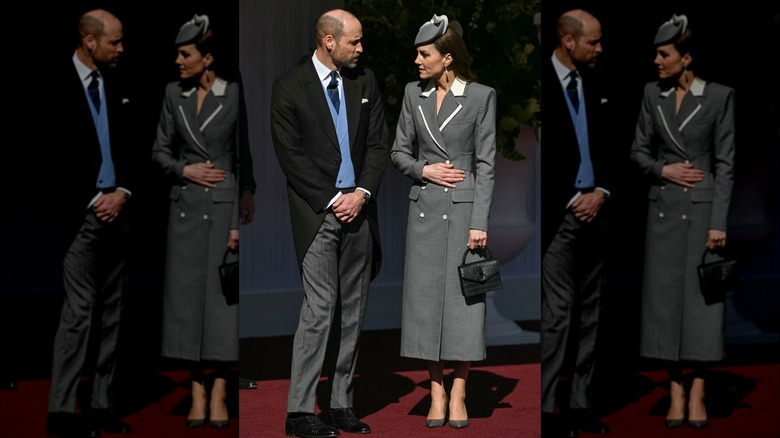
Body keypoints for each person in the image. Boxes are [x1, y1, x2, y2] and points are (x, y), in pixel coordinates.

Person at [270, 8, 389, 438]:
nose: (361, 49)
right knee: (320, 310)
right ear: (328, 41)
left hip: (361, 210)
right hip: (317, 214)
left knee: (353, 312)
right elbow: (291, 157)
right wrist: (334, 199)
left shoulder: (364, 80)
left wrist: (362, 195)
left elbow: (379, 146)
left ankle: (341, 404)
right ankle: (299, 411)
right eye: (354, 41)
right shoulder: (288, 87)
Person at [390, 14, 495, 430]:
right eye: (418, 53)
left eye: (425, 54)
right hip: (425, 213)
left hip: (467, 216)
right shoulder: (411, 95)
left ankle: (459, 390)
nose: (417, 60)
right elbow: (399, 153)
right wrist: (423, 170)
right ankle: (435, 388)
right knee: (425, 304)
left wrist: (480, 221)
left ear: (446, 58)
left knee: (465, 305)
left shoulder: (481, 97)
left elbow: (486, 165)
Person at [630, 14, 735, 429]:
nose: (657, 61)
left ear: (686, 58)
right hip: (663, 213)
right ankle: (674, 387)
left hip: (704, 214)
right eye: (657, 53)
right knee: (663, 305)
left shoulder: (720, 97)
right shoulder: (650, 95)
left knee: (701, 305)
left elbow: (726, 164)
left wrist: (719, 221)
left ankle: (698, 389)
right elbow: (637, 152)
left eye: (665, 54)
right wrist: (662, 170)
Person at [46, 8, 134, 438]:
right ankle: (61, 412)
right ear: (88, 40)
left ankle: (101, 406)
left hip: (120, 212)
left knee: (112, 315)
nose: (121, 48)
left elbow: (136, 143)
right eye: (114, 41)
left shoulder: (118, 82)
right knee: (79, 314)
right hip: (80, 219)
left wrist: (123, 193)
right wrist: (93, 199)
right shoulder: (54, 84)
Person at [151, 14, 241, 429]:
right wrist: (185, 171)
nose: (178, 61)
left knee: (222, 303)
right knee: (185, 303)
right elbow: (159, 152)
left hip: (222, 209)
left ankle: (221, 387)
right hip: (184, 209)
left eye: (185, 54)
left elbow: (244, 159)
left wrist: (239, 218)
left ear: (207, 58)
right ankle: (197, 388)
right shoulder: (174, 94)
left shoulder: (234, 94)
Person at [540, 9, 612, 437]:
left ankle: (580, 404)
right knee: (558, 316)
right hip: (560, 217)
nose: (600, 48)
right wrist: (573, 199)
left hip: (599, 210)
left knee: (592, 314)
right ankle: (547, 411)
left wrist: (602, 191)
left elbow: (615, 142)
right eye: (594, 41)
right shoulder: (542, 84)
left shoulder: (598, 82)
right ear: (568, 41)